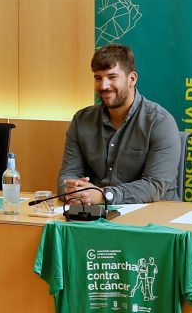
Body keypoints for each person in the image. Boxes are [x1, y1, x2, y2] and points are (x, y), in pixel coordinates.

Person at [58, 44, 181, 204]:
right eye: (98, 78)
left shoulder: (160, 122)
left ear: (132, 79)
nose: (104, 86)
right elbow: (67, 176)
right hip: (95, 214)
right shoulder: (81, 120)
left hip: (153, 217)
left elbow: (154, 186)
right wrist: (73, 190)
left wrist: (104, 195)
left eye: (112, 77)